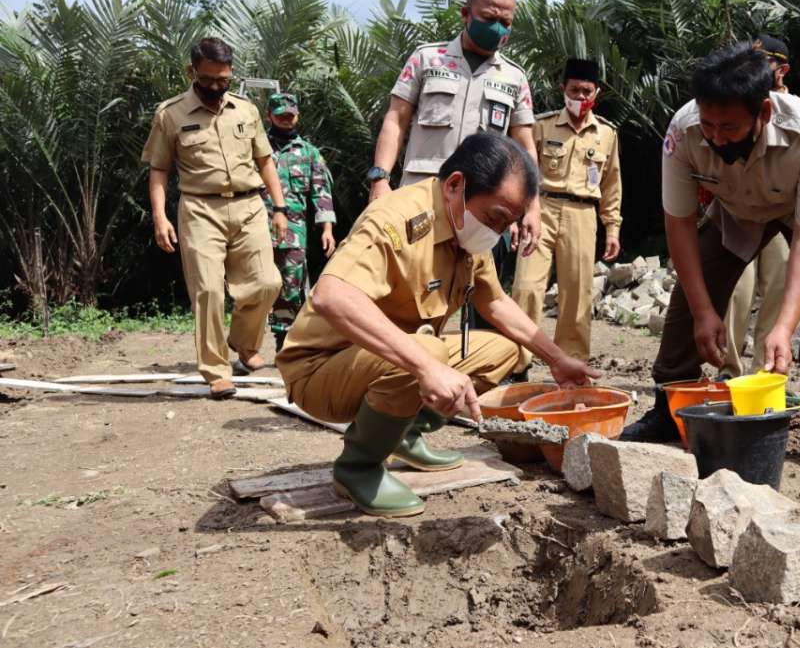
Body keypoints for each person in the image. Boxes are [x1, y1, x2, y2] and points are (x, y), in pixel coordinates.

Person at [276, 133, 599, 518]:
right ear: (455, 185)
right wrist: (426, 366)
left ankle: (404, 434)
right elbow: (331, 297)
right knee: (426, 353)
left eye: (507, 224)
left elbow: (494, 301)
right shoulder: (395, 220)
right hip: (320, 369)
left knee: (504, 351)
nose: (497, 233)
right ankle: (358, 467)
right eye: (495, 218)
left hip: (386, 357)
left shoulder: (466, 229)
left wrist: (556, 358)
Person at [620, 43, 800, 478]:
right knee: (694, 286)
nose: (715, 137)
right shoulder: (683, 131)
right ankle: (668, 405)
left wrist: (783, 328)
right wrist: (703, 313)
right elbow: (679, 224)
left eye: (728, 127)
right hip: (738, 205)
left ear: (764, 112)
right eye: (708, 124)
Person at [142, 37, 286, 399]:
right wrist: (160, 217)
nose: (215, 87)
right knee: (207, 290)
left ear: (231, 73)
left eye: (223, 80)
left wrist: (280, 208)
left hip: (249, 206)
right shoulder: (170, 114)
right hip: (200, 209)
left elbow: (264, 160)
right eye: (207, 79)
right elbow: (159, 169)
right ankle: (217, 370)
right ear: (191, 72)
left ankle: (243, 342)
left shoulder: (246, 110)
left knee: (268, 282)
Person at [366, 0, 540, 258]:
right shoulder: (426, 59)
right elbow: (395, 120)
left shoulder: (515, 78)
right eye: (488, 18)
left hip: (480, 212)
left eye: (506, 22)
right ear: (465, 14)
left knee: (472, 283)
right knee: (409, 279)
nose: (497, 28)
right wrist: (380, 179)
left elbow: (525, 146)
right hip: (421, 199)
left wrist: (532, 205)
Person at [510, 58, 622, 382]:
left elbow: (611, 183)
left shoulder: (607, 134)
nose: (580, 96)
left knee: (577, 295)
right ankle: (515, 364)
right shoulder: (541, 126)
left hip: (583, 215)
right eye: (575, 90)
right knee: (526, 288)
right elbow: (518, 173)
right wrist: (513, 217)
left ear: (596, 93)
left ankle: (572, 368)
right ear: (563, 89)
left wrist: (612, 228)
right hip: (540, 210)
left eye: (587, 91)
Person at [720, 34, 792, 377]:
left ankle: (764, 373)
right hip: (739, 211)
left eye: (763, 63)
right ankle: (728, 370)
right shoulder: (732, 104)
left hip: (781, 213)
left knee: (778, 289)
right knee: (737, 289)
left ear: (782, 70)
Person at [261, 92, 337, 351]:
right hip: (256, 227)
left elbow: (321, 192)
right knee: (254, 285)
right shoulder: (257, 149)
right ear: (269, 116)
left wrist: (327, 229)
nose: (286, 119)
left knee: (291, 286)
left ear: (297, 116)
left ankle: (284, 342)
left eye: (290, 115)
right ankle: (246, 346)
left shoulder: (309, 153)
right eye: (280, 115)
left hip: (293, 232)